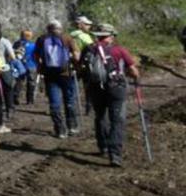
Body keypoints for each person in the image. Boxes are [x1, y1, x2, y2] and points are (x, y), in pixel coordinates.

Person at [81, 24, 140, 167]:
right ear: (110, 36)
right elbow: (133, 71)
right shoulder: (119, 50)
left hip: (95, 87)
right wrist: (135, 77)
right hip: (116, 88)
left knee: (100, 116)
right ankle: (115, 154)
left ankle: (103, 146)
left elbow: (80, 66)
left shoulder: (88, 49)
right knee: (117, 120)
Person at [33, 20, 79, 138]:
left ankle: (60, 130)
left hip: (50, 75)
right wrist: (74, 63)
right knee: (69, 100)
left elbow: (36, 56)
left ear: (48, 28)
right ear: (60, 28)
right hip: (66, 74)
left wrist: (40, 67)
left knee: (54, 103)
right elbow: (76, 55)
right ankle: (72, 126)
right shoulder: (67, 38)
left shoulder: (42, 39)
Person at [0, 23, 19, 121]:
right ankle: (9, 111)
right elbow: (12, 56)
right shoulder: (5, 41)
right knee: (8, 90)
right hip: (3, 68)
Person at [70, 16, 96, 116]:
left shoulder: (70, 35)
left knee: (72, 87)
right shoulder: (85, 36)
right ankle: (88, 108)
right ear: (80, 25)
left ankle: (72, 107)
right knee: (88, 87)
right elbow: (92, 49)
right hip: (84, 64)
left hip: (72, 63)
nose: (89, 26)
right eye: (87, 24)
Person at [14, 30, 38, 105]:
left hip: (20, 65)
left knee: (19, 82)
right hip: (32, 65)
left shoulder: (17, 44)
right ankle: (30, 100)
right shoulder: (33, 45)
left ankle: (16, 97)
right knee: (31, 82)